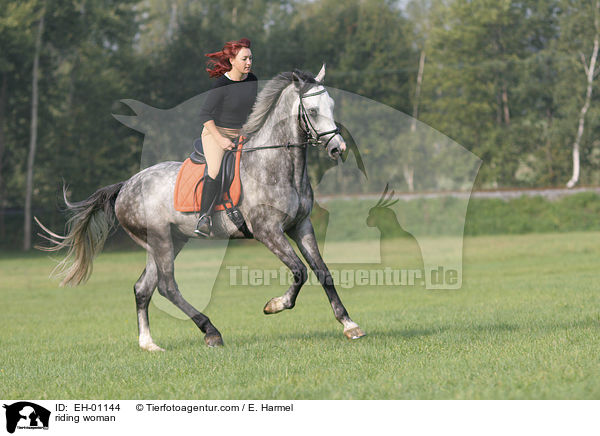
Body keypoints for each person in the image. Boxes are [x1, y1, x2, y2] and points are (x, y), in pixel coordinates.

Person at [195, 38, 258, 237]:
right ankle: (204, 218)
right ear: (232, 60)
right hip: (215, 133)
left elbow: (253, 111)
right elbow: (204, 115)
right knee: (215, 169)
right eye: (244, 59)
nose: (248, 63)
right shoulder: (222, 84)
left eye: (250, 58)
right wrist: (221, 140)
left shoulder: (252, 80)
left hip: (241, 134)